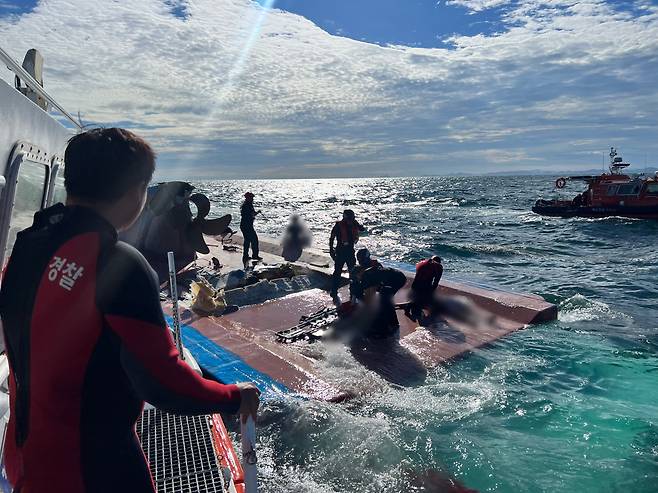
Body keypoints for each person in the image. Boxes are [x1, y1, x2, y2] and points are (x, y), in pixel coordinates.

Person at [0, 128, 260, 493]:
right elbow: (163, 382)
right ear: (136, 190)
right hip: (91, 469)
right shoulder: (116, 262)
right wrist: (234, 396)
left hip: (24, 455)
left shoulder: (27, 244)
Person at [329, 209, 365, 298]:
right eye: (349, 219)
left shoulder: (354, 224)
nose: (350, 221)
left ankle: (353, 292)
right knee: (337, 272)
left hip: (350, 252)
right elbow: (332, 238)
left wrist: (356, 223)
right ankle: (334, 291)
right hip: (340, 252)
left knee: (353, 272)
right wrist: (331, 250)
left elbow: (362, 229)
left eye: (352, 218)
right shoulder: (338, 226)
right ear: (345, 218)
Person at [407, 255, 443, 321]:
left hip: (414, 285)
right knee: (431, 304)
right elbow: (436, 282)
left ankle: (414, 303)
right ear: (439, 262)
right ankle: (412, 304)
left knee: (418, 299)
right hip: (424, 285)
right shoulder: (438, 266)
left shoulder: (421, 262)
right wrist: (431, 293)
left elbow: (420, 273)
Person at [240, 191, 261, 263]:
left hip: (246, 225)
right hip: (247, 226)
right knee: (254, 240)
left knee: (247, 240)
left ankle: (246, 255)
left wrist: (257, 212)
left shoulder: (248, 205)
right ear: (248, 198)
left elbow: (253, 214)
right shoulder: (247, 205)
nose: (252, 199)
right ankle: (254, 255)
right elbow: (250, 214)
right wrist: (255, 214)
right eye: (251, 198)